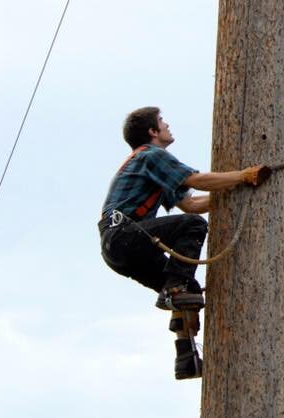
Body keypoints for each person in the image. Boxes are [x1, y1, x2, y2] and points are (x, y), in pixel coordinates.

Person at [99, 106, 269, 378]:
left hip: (119, 246)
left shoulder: (151, 165)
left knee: (189, 289)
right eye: (162, 122)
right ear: (153, 132)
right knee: (190, 241)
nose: (167, 125)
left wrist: (234, 196)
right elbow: (196, 181)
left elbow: (190, 203)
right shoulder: (151, 156)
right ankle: (173, 290)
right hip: (124, 235)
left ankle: (185, 357)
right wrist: (242, 175)